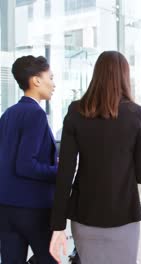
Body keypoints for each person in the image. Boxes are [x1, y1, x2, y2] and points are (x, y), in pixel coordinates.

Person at [48, 51, 141, 263]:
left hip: (84, 215)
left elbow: (65, 172)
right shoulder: (137, 114)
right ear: (124, 77)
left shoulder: (76, 111)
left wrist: (58, 226)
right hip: (124, 215)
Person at [0, 55, 58, 263]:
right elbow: (26, 165)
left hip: (5, 208)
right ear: (36, 80)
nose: (53, 83)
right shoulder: (35, 114)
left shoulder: (8, 114)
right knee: (50, 259)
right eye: (50, 77)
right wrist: (60, 172)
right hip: (33, 209)